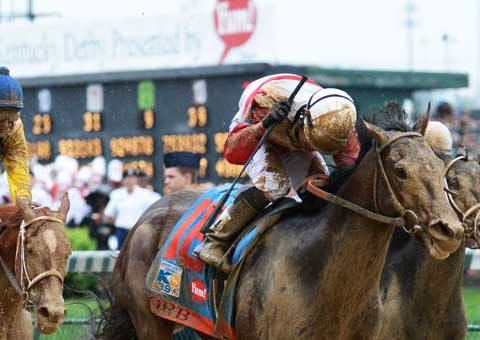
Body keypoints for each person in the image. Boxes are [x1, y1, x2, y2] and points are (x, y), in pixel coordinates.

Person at [195, 73, 360, 273]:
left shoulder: (342, 126)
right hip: (265, 128)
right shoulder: (266, 106)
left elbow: (348, 173)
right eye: (311, 141)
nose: (311, 147)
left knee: (319, 186)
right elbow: (232, 153)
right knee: (274, 186)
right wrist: (262, 126)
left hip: (295, 130)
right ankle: (215, 240)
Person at [103, 168, 161, 248]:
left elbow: (158, 209)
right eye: (127, 178)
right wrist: (118, 222)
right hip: (122, 231)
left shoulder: (146, 194)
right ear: (123, 180)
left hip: (139, 231)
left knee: (139, 256)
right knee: (120, 256)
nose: (129, 181)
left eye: (132, 178)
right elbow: (107, 215)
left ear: (136, 180)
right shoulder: (117, 194)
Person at [0, 67, 32, 203]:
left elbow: (18, 164)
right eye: (1, 119)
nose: (6, 126)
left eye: (10, 120)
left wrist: (24, 200)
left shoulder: (16, 127)